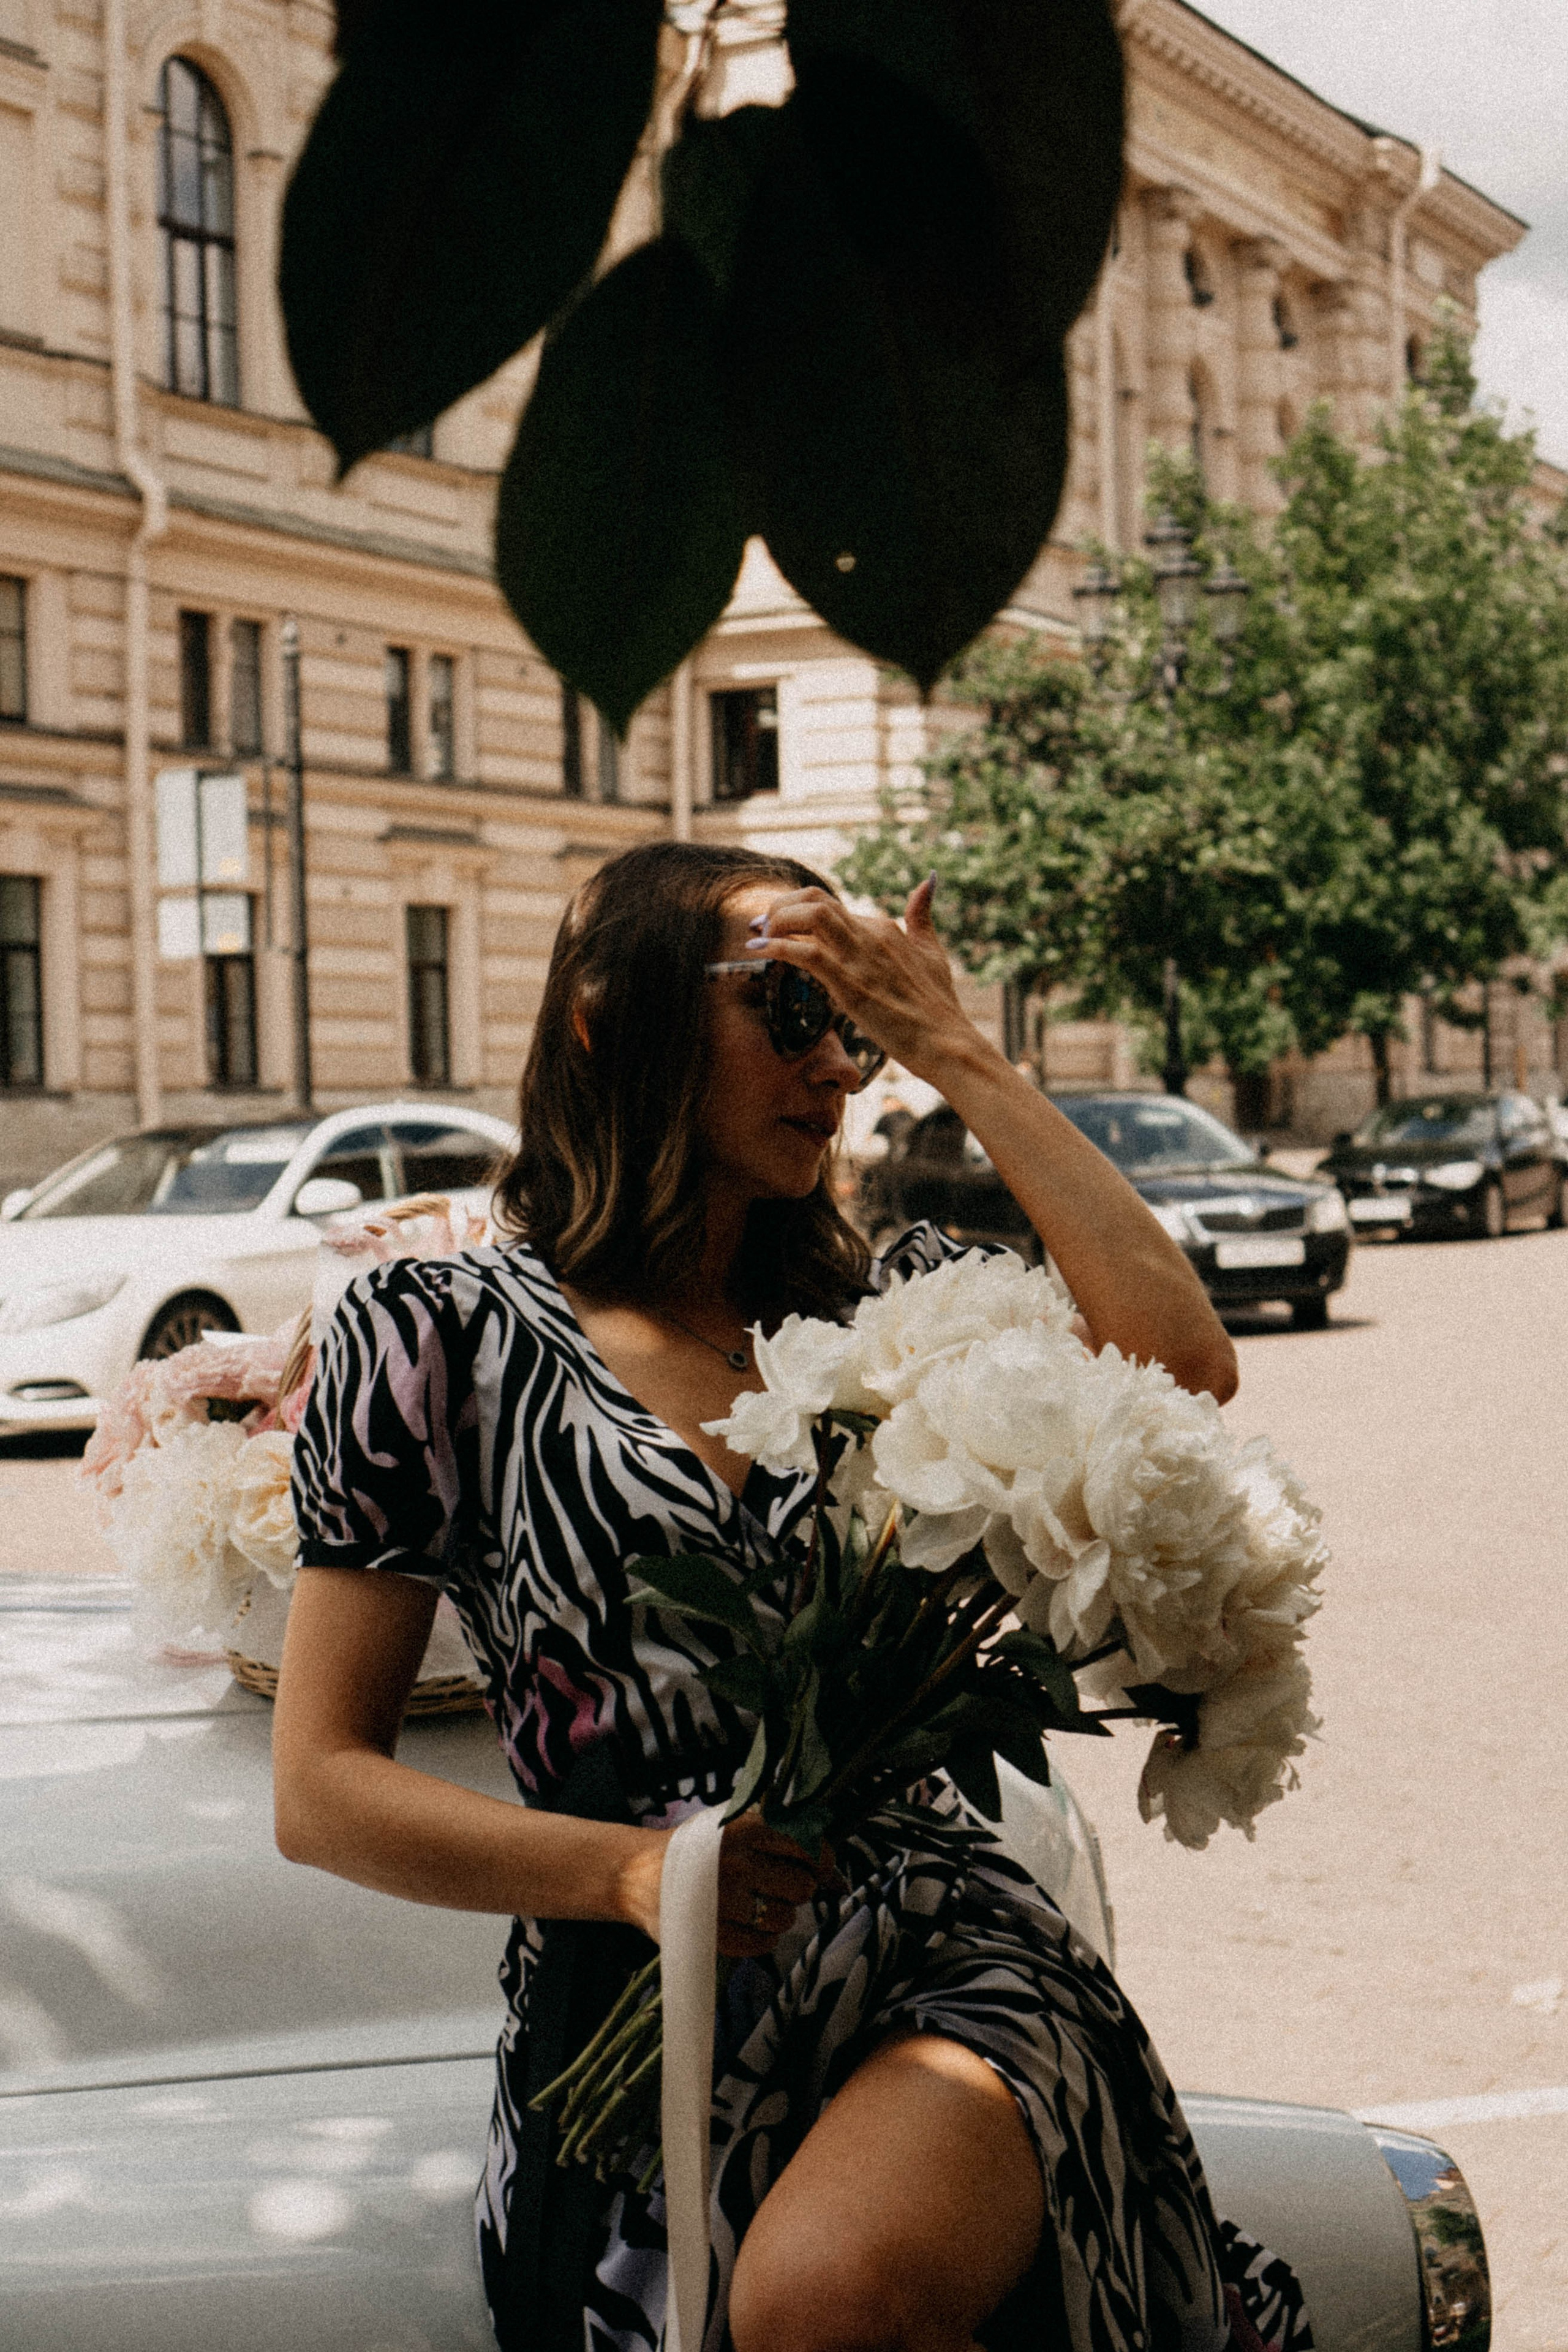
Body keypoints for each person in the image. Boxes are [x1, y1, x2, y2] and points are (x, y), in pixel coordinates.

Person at [274, 842, 1308, 2352]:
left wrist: (959, 1050)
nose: (835, 1066)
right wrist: (637, 1876)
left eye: (857, 1024)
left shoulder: (888, 1310)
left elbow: (1181, 1362)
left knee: (820, 2298)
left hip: (935, 1956)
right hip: (632, 2012)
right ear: (604, 1016)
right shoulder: (437, 1333)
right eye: (788, 1007)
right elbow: (321, 1789)